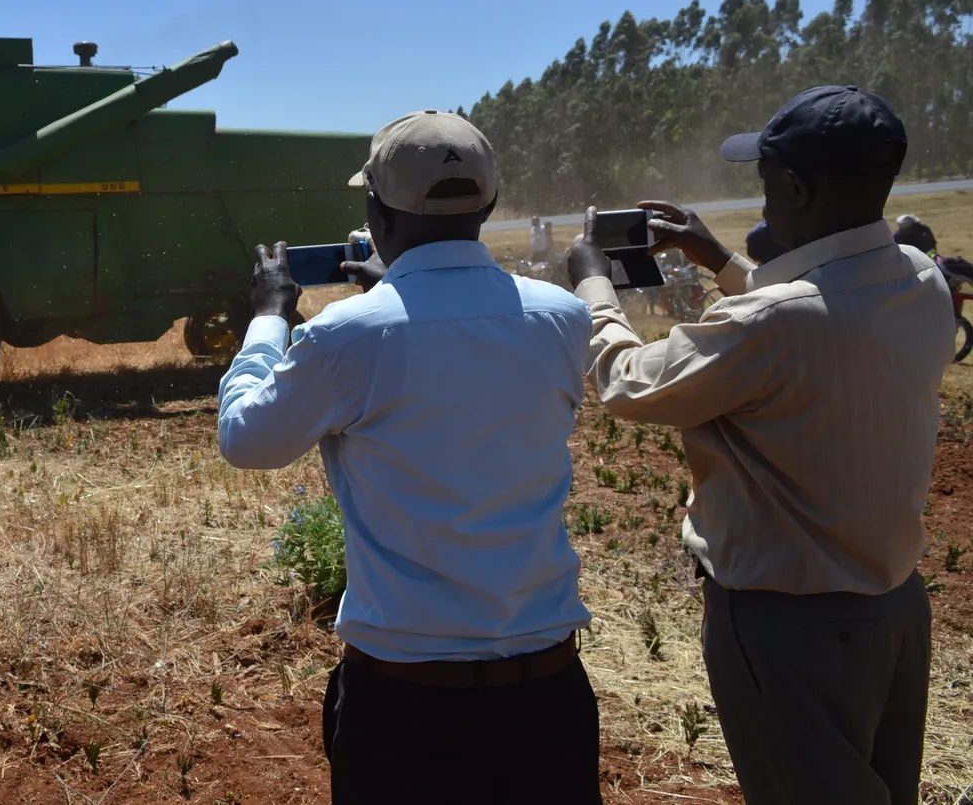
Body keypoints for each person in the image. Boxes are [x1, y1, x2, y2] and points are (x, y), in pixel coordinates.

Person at [565, 85, 947, 805]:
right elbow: (818, 314)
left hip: (789, 629)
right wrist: (718, 259)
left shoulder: (770, 325)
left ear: (798, 186)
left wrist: (594, 284)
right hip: (894, 613)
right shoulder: (921, 280)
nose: (762, 198)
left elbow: (628, 382)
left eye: (767, 181)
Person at [218, 110, 602, 804]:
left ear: (374, 209)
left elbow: (246, 438)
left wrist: (270, 315)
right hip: (549, 697)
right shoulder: (563, 317)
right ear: (487, 203)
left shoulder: (348, 336)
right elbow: (460, 368)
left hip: (406, 705)